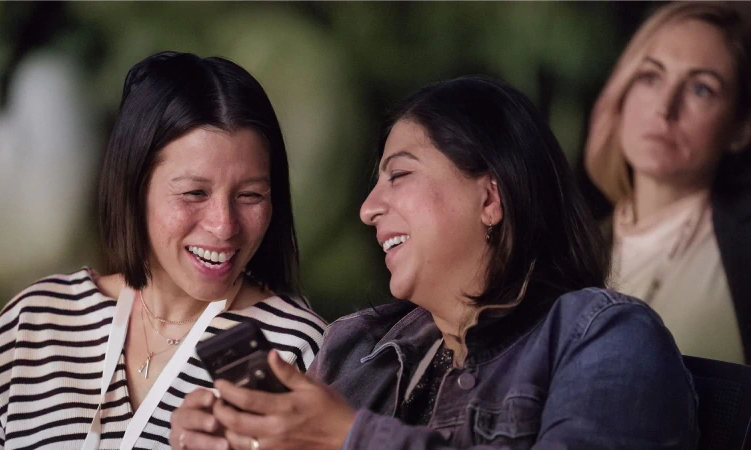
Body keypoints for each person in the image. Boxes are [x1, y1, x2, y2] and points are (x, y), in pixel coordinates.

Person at [169, 76, 698, 450]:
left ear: (490, 198)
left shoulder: (603, 336)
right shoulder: (355, 349)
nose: (368, 208)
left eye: (399, 175)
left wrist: (349, 437)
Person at [0, 51, 326, 449]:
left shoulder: (297, 351)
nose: (224, 225)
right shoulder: (32, 326)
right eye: (194, 193)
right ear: (134, 188)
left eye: (250, 195)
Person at [585, 2, 751, 364]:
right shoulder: (573, 256)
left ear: (740, 127)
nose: (665, 107)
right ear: (622, 93)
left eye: (701, 89)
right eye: (650, 77)